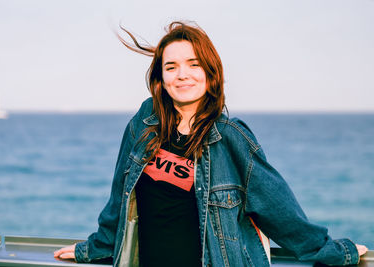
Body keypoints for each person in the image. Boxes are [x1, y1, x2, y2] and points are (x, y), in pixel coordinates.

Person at [54, 21, 368, 266]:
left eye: (193, 64)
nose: (182, 75)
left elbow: (281, 213)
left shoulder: (231, 137)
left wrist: (339, 252)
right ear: (161, 79)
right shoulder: (144, 123)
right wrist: (92, 249)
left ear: (210, 72)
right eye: (171, 67)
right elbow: (118, 201)